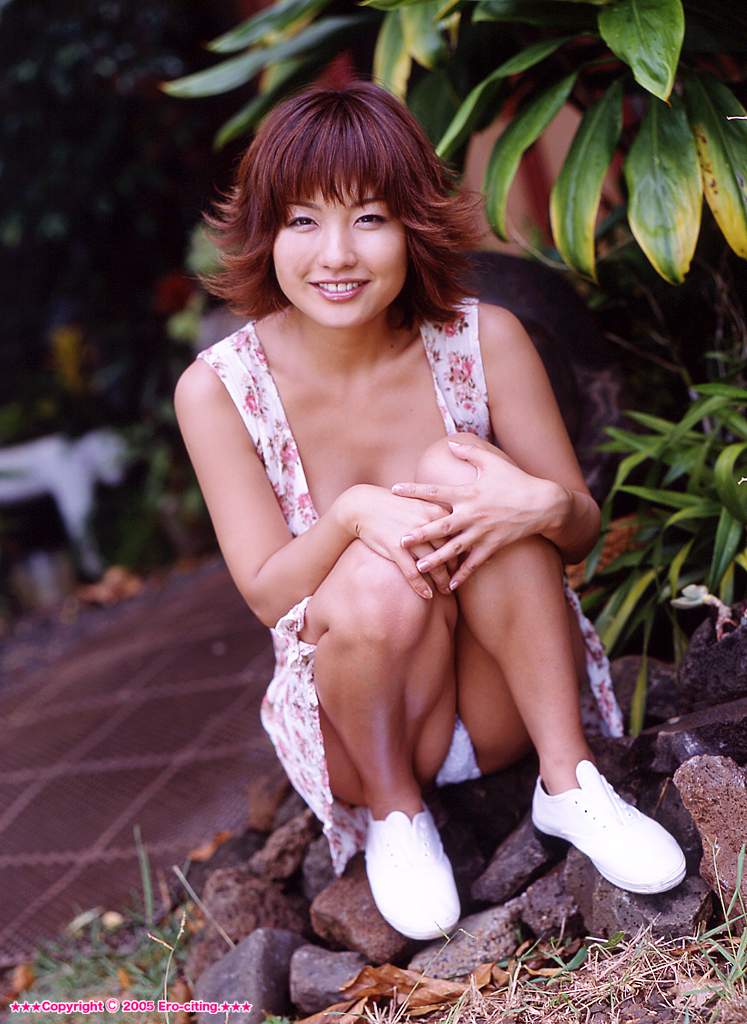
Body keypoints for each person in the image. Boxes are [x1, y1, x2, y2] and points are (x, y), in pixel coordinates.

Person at [174, 80, 686, 941]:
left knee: (474, 480)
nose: (336, 254)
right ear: (265, 233)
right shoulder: (220, 389)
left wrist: (536, 501)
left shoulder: (483, 338)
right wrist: (350, 516)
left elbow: (577, 527)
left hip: (497, 708)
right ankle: (395, 814)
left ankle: (568, 782)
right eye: (303, 221)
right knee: (374, 571)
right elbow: (267, 594)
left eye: (369, 218)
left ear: (414, 224)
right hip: (360, 725)